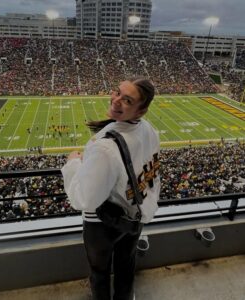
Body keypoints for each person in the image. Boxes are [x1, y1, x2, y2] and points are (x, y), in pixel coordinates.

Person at [61, 78, 160, 300]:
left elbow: (83, 199)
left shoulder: (106, 147)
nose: (116, 101)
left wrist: (73, 163)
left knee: (99, 271)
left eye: (127, 100)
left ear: (140, 110)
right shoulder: (149, 129)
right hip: (136, 212)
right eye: (117, 93)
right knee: (126, 263)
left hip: (103, 223)